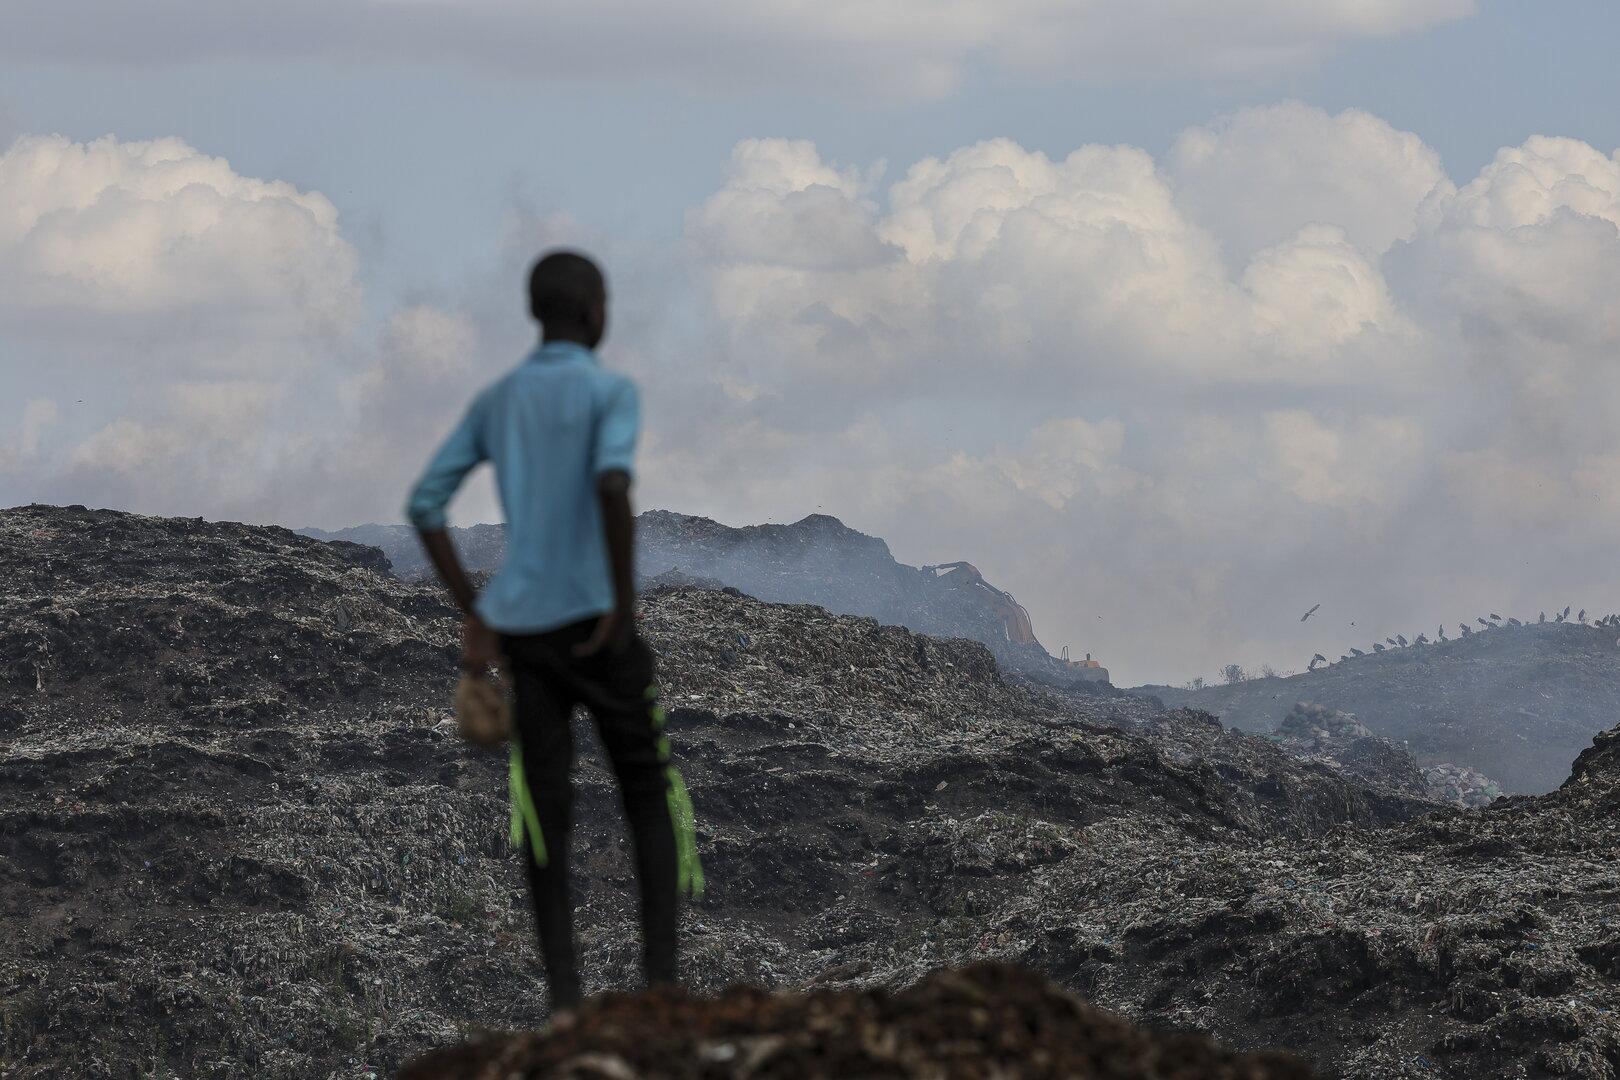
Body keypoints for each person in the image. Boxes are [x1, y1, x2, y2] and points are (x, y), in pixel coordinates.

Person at [404, 250, 702, 1014]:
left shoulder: (498, 400)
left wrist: (475, 610)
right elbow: (610, 483)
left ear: (538, 314)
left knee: (545, 804)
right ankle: (660, 983)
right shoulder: (611, 391)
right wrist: (622, 601)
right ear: (597, 311)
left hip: (526, 635)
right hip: (600, 625)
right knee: (647, 792)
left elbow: (427, 504)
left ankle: (565, 996)